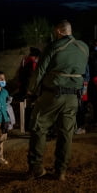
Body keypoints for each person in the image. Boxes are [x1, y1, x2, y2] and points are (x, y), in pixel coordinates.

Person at [26, 19, 89, 181]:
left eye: (56, 32)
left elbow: (40, 70)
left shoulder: (54, 46)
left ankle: (36, 167)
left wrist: (30, 90)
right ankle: (61, 171)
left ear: (60, 31)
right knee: (66, 134)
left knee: (38, 127)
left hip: (52, 94)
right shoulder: (84, 47)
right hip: (73, 97)